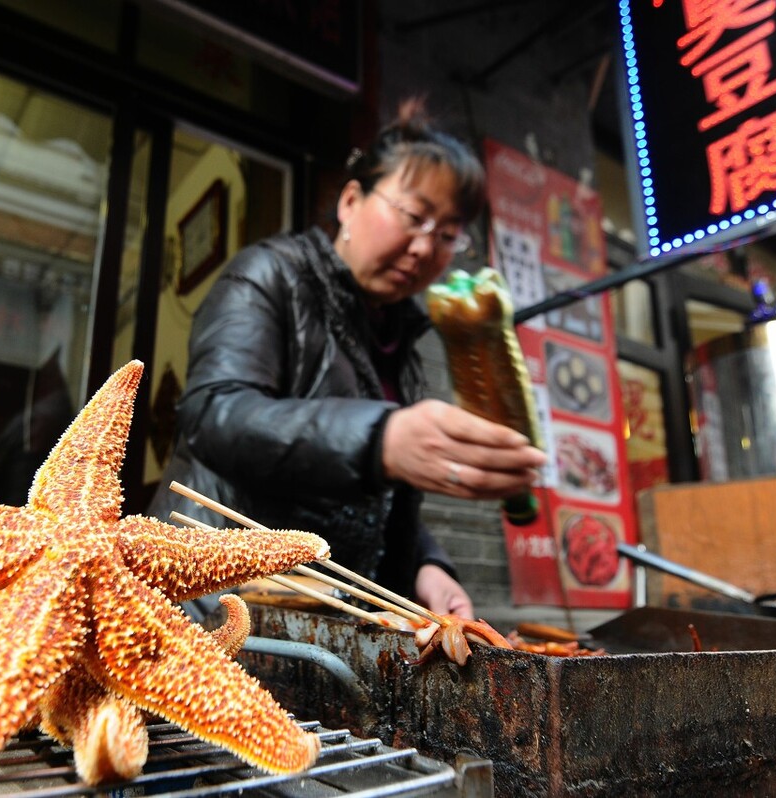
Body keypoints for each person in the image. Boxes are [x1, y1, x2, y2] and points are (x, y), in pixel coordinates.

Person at [147, 99, 546, 620]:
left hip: (316, 619)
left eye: (447, 234)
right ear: (351, 201)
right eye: (414, 216)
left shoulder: (396, 335)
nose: (425, 247)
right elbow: (213, 416)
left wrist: (428, 565)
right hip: (212, 600)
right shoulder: (269, 275)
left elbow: (373, 493)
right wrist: (382, 439)